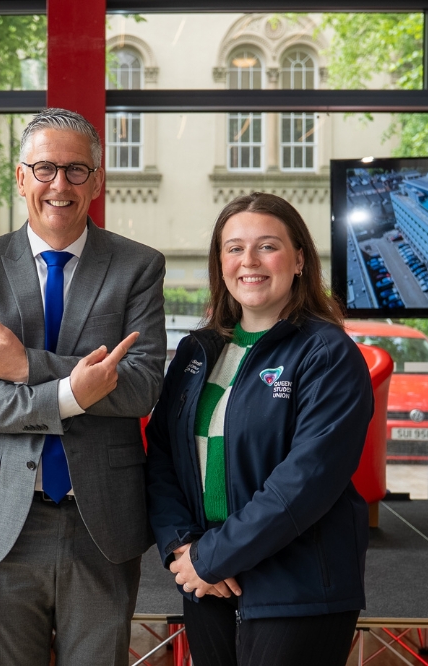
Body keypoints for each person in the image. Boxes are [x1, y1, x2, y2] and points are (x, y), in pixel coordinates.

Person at [0, 107, 166, 665]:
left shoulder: (138, 267)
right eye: (44, 169)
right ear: (21, 178)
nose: (59, 185)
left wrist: (27, 368)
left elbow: (141, 387)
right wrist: (71, 393)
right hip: (2, 521)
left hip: (102, 521)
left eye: (75, 170)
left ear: (97, 178)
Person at [145, 192, 374, 666]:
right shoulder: (196, 352)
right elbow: (163, 455)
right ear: (220, 262)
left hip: (296, 586)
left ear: (299, 260)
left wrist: (213, 558)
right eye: (233, 248)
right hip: (206, 582)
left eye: (267, 246)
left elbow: (307, 480)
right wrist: (182, 548)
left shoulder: (327, 354)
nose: (248, 261)